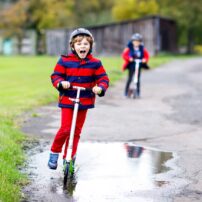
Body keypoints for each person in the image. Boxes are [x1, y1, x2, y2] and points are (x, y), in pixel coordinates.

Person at [48, 28, 109, 170]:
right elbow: (55, 76)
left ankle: (69, 157)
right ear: (73, 46)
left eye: (86, 44)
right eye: (79, 44)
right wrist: (61, 83)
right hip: (68, 99)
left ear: (90, 46)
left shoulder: (95, 63)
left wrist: (100, 87)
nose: (83, 46)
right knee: (65, 129)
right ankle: (54, 151)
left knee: (76, 131)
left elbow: (103, 78)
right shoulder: (64, 60)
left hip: (85, 100)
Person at [122, 33, 150, 97]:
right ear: (132, 41)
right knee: (130, 78)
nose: (136, 43)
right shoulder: (129, 48)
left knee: (137, 79)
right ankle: (126, 92)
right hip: (131, 64)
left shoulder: (142, 48)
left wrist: (145, 59)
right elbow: (124, 55)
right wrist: (129, 58)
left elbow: (146, 56)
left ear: (140, 42)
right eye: (135, 41)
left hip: (139, 64)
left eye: (138, 42)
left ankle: (138, 92)